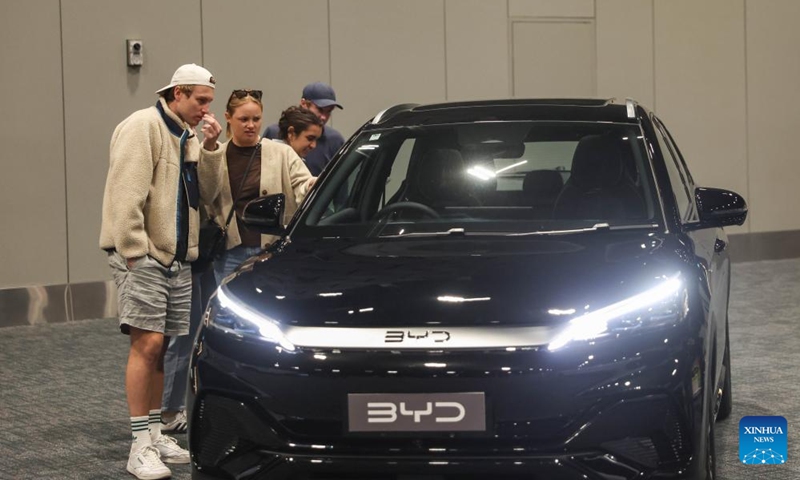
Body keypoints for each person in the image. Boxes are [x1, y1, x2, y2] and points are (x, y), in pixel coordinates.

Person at [99, 63, 224, 480]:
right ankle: (138, 446)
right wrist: (136, 251)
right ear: (178, 94)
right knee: (148, 346)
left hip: (176, 258)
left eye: (209, 101)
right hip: (148, 257)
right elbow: (125, 193)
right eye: (201, 101)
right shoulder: (143, 126)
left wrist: (207, 149)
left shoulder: (186, 135)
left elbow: (203, 194)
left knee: (162, 349)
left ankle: (152, 434)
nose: (207, 109)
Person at [211, 89, 316, 282]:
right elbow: (206, 197)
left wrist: (311, 184)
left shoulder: (282, 153)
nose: (251, 125)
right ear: (228, 117)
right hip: (230, 253)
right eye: (244, 119)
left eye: (256, 119)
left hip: (272, 251)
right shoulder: (217, 154)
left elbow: (302, 185)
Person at [263, 82, 344, 175]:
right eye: (320, 109)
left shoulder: (335, 140)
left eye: (329, 112)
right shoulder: (273, 132)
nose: (324, 117)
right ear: (303, 103)